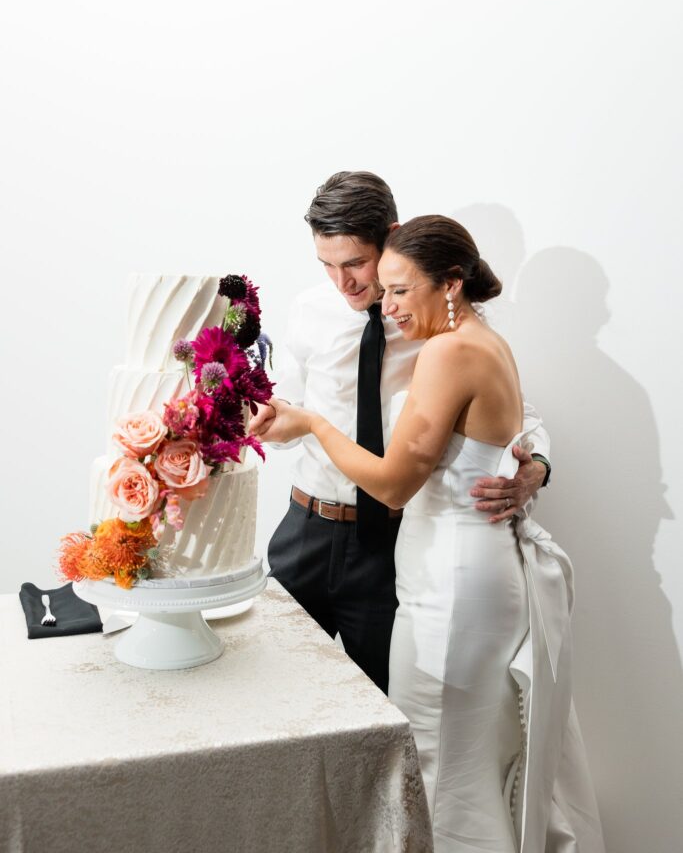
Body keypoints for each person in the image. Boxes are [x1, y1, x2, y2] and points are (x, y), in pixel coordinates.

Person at [253, 214, 605, 853]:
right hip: (346, 542)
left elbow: (394, 483)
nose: (378, 302)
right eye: (329, 267)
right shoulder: (460, 331)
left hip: (448, 578)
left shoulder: (446, 345)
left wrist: (312, 426)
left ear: (447, 282)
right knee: (446, 756)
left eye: (389, 286)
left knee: (436, 760)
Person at [250, 172, 550, 698]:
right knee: (274, 695)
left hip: (389, 544)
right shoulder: (308, 311)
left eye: (354, 264)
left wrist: (537, 470)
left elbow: (518, 415)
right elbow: (291, 412)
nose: (342, 284)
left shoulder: (436, 322)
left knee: (390, 715)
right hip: (307, 530)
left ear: (389, 236)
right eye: (326, 265)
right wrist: (269, 421)